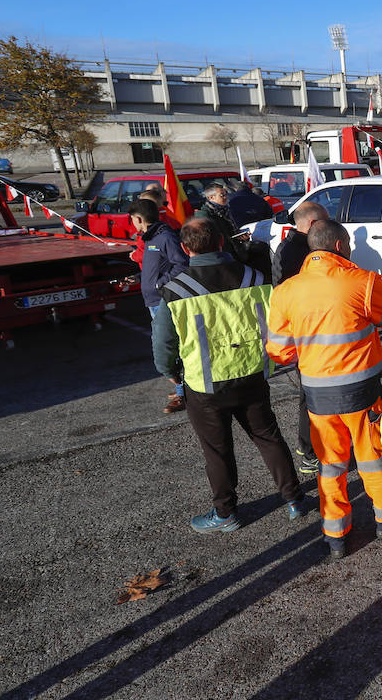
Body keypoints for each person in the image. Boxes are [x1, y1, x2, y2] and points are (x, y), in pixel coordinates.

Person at [153, 216, 303, 532]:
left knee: (217, 450)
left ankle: (226, 513)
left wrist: (169, 372)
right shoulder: (255, 277)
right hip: (252, 373)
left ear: (184, 248)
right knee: (268, 436)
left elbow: (163, 342)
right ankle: (294, 500)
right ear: (221, 242)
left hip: (205, 384)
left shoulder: (175, 290)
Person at [266, 219, 382, 558]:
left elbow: (279, 351)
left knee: (331, 465)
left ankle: (336, 535)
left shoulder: (285, 291)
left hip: (317, 397)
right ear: (341, 246)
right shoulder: (363, 281)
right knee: (373, 459)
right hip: (364, 393)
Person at [270, 200, 330, 478]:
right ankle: (308, 452)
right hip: (307, 338)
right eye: (324, 220)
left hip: (325, 332)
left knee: (324, 394)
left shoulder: (311, 245)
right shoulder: (291, 250)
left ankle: (322, 444)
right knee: (310, 396)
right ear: (311, 224)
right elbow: (285, 295)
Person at [129, 198, 190, 413]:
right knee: (168, 346)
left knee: (172, 347)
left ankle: (184, 395)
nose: (133, 224)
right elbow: (155, 267)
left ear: (138, 219)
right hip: (153, 301)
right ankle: (183, 389)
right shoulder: (151, 239)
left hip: (163, 300)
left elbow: (182, 264)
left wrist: (158, 283)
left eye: (133, 220)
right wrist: (138, 277)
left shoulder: (165, 237)